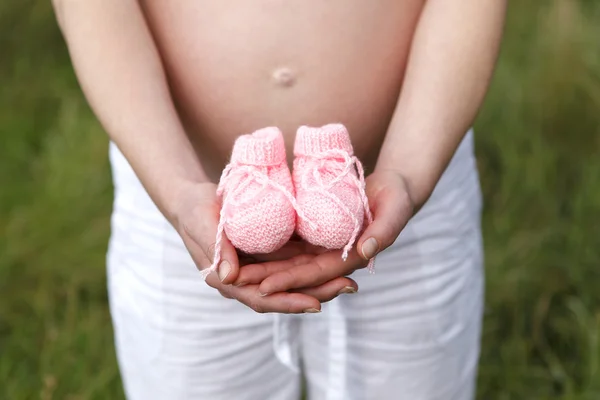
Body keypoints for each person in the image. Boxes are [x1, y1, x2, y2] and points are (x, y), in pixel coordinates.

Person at [52, 0, 506, 399]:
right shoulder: (176, 195)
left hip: (416, 183)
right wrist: (176, 190)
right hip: (175, 197)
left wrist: (409, 170)